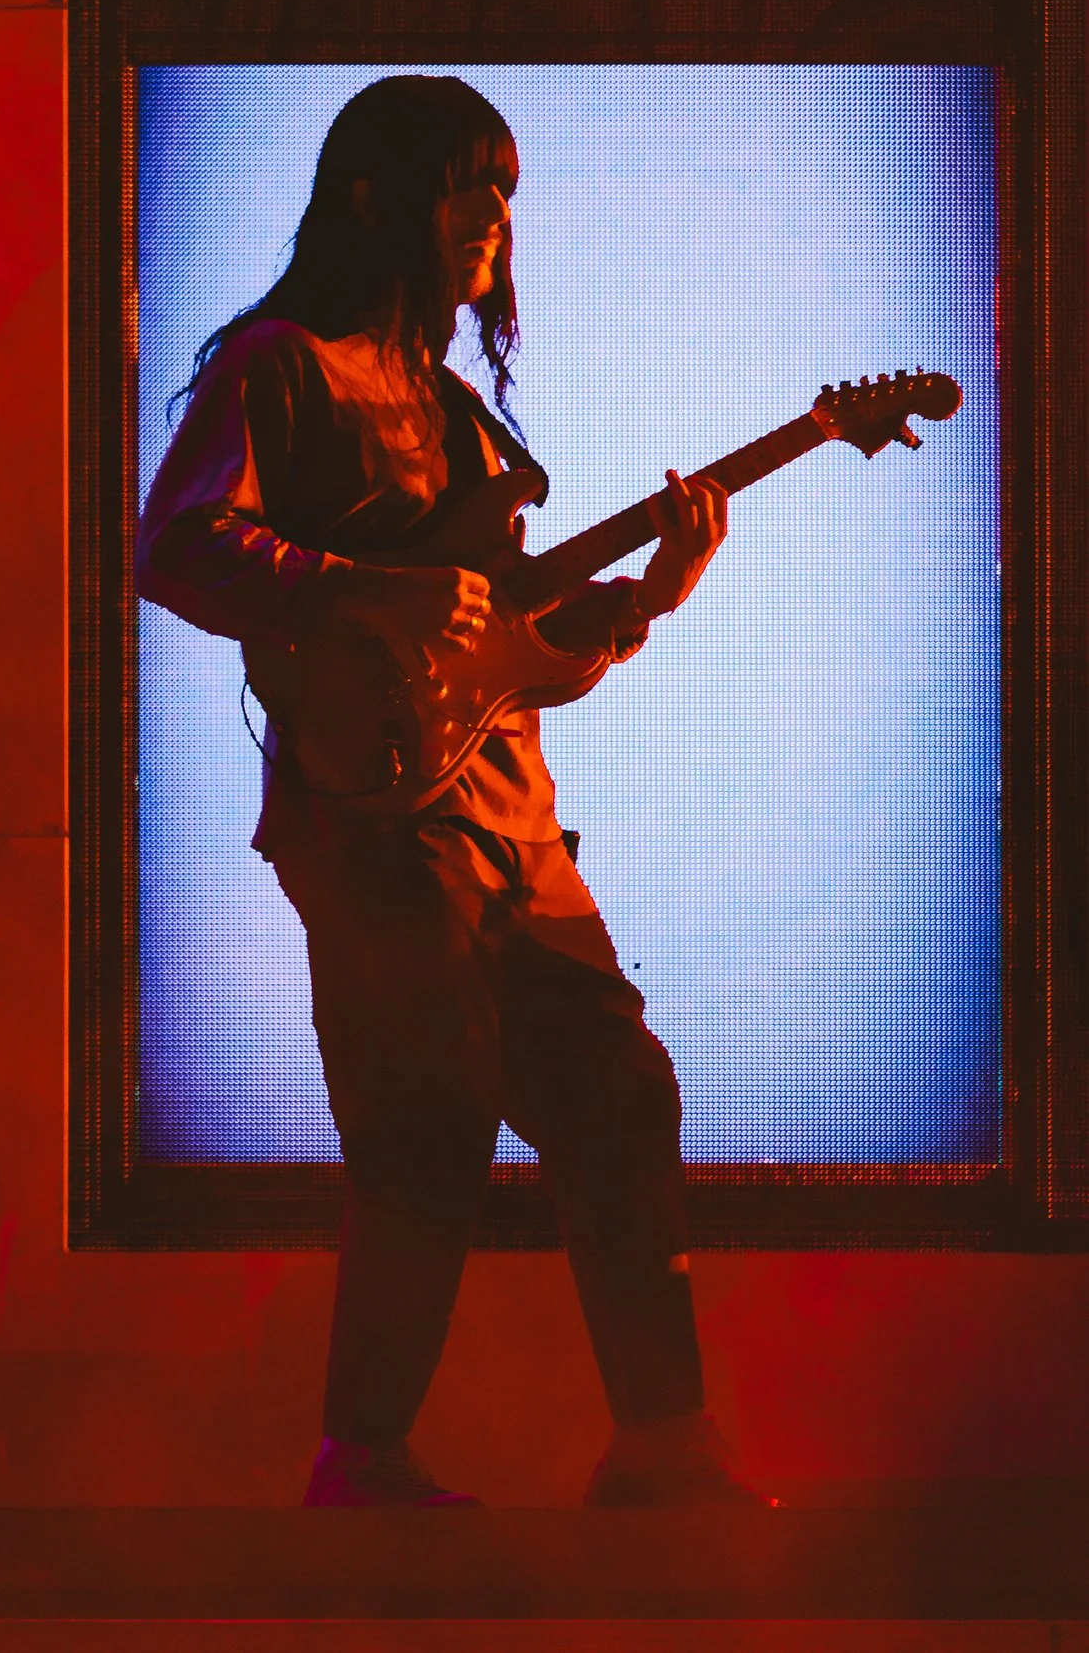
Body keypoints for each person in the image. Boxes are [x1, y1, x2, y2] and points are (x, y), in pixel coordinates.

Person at [137, 77, 766, 1506]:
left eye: (507, 192)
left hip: (513, 823)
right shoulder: (279, 366)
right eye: (467, 183)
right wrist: (371, 587)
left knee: (619, 1090)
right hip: (375, 830)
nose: (494, 217)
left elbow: (515, 658)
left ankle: (665, 1446)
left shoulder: (460, 410)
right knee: (425, 1124)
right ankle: (359, 1459)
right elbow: (178, 545)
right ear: (374, 197)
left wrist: (647, 599)